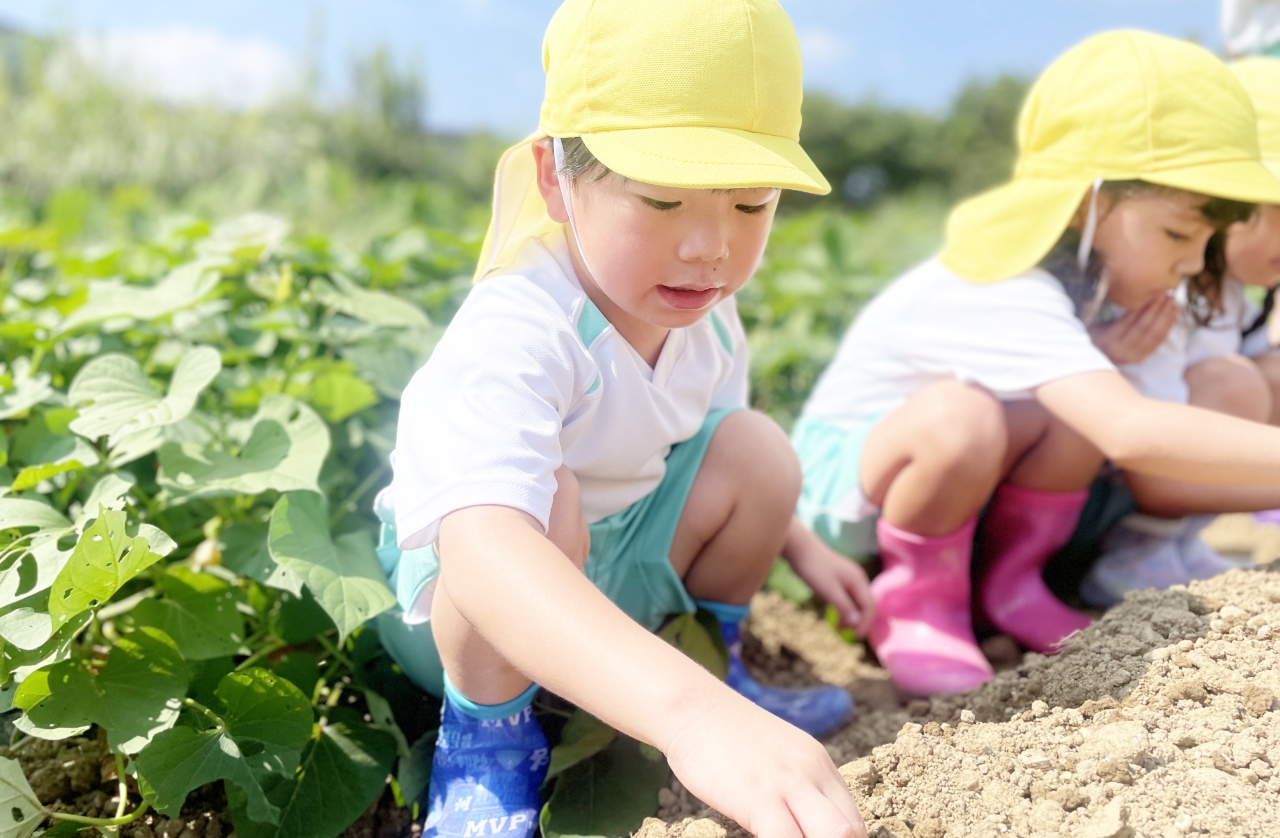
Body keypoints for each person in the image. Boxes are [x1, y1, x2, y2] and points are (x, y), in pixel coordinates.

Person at [372, 2, 873, 837]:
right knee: (544, 503)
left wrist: (803, 545)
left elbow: (715, 430)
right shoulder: (520, 328)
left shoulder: (707, 314)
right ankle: (488, 745)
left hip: (618, 558)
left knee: (757, 451)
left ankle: (714, 662)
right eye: (663, 202)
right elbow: (484, 549)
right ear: (553, 180)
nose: (709, 248)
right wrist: (690, 719)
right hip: (467, 614)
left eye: (750, 206)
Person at [792, 30, 1280, 698]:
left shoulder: (1102, 288)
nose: (1194, 264)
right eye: (1176, 235)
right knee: (963, 419)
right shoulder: (1004, 282)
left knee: (1069, 407)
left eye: (1206, 243)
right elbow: (1131, 431)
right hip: (848, 494)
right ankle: (918, 603)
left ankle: (1011, 584)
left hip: (955, 485)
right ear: (1091, 199)